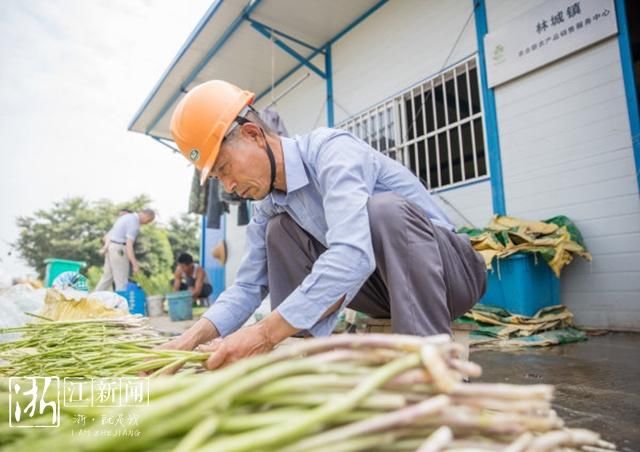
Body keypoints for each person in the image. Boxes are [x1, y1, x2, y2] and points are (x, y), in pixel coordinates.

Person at [162, 80, 486, 370]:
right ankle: (306, 367)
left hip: (450, 275)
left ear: (253, 135)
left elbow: (353, 255)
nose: (229, 186)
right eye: (219, 179)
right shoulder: (267, 207)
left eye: (225, 168)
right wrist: (187, 341)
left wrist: (263, 333)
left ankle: (426, 370)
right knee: (280, 232)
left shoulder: (331, 151)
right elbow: (248, 287)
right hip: (382, 290)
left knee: (383, 212)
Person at [95, 209, 155, 291]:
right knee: (121, 281)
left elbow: (109, 234)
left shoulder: (126, 217)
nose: (146, 223)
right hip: (119, 249)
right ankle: (122, 303)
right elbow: (129, 246)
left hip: (111, 247)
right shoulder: (134, 223)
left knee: (107, 278)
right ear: (146, 216)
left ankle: (92, 300)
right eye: (148, 221)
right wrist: (135, 265)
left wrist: (106, 247)